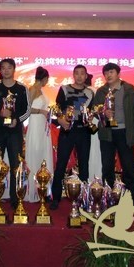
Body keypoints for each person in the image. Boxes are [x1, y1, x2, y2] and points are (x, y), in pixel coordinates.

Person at [0, 58, 31, 209]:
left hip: (15, 133)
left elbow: (27, 109)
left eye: (9, 67)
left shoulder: (22, 88)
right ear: (0, 70)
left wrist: (17, 120)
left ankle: (15, 199)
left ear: (14, 69)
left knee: (16, 165)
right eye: (3, 68)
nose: (6, 70)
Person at [93, 63, 134, 201]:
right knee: (107, 167)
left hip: (125, 132)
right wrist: (103, 112)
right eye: (106, 73)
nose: (108, 75)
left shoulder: (129, 89)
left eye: (111, 72)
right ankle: (108, 197)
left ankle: (130, 198)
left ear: (118, 73)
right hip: (107, 133)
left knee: (128, 166)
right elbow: (95, 110)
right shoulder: (101, 91)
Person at [49, 65, 94, 210]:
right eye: (77, 73)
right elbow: (57, 108)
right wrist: (61, 121)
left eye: (82, 73)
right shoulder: (64, 89)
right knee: (61, 164)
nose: (80, 76)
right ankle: (56, 197)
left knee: (84, 165)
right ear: (73, 75)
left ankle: (83, 199)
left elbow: (91, 112)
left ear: (86, 76)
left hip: (84, 132)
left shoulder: (90, 92)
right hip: (67, 131)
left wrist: (90, 119)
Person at [24, 66, 53, 202]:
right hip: (35, 124)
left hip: (43, 125)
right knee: (35, 152)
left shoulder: (41, 90)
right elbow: (27, 109)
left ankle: (44, 188)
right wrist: (41, 111)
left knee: (43, 153)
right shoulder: (33, 89)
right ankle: (33, 191)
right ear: (45, 78)